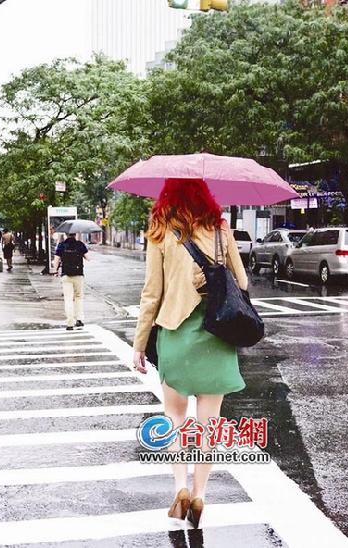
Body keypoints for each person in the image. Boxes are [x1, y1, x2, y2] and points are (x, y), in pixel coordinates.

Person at [132, 178, 248, 528]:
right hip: (216, 336)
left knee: (174, 417)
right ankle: (199, 494)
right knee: (209, 423)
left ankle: (180, 487)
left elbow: (151, 294)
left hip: (176, 333)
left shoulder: (160, 230)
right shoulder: (220, 229)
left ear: (168, 195)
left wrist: (139, 344)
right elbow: (242, 282)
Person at [53, 232, 90, 331]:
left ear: (66, 234)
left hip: (66, 275)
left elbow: (56, 260)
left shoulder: (61, 245)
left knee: (68, 299)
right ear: (75, 235)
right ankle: (79, 319)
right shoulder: (80, 245)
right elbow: (88, 258)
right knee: (78, 297)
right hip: (78, 275)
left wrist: (55, 270)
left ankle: (70, 323)